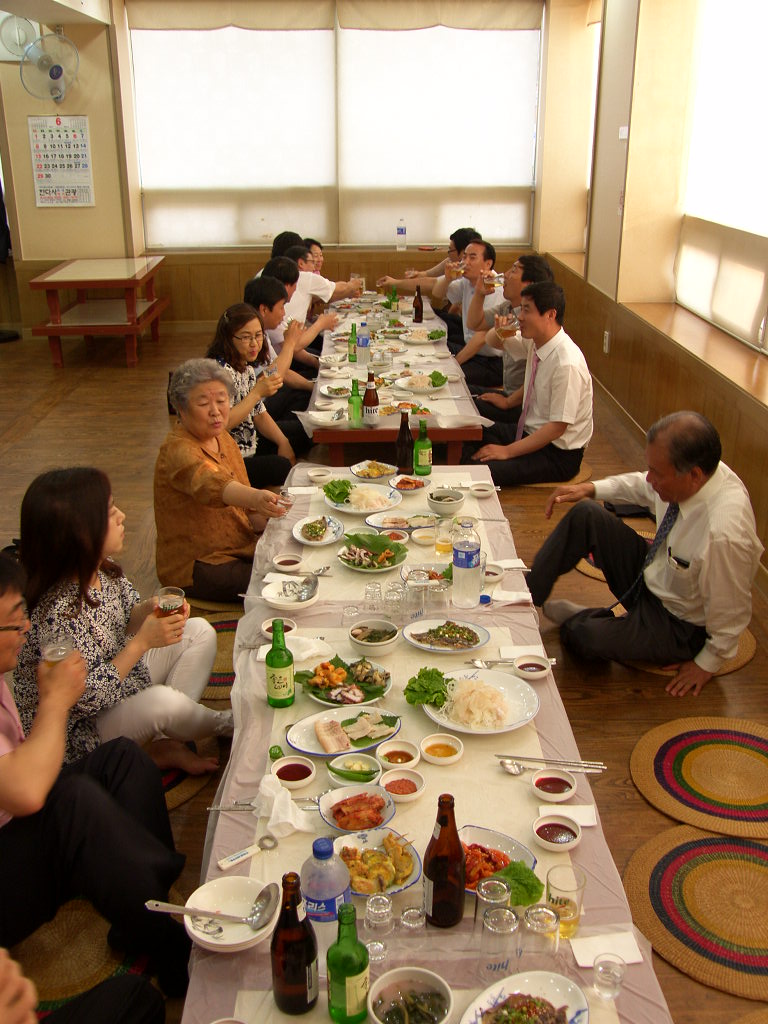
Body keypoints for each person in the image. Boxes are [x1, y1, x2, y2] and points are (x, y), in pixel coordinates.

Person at [0, 553, 191, 1006]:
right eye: (13, 623)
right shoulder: (58, 610)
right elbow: (26, 792)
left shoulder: (108, 578)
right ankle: (172, 948)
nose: (26, 630)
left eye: (22, 615)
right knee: (74, 802)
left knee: (122, 760)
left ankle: (148, 904)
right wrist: (56, 701)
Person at [527, 411, 764, 697]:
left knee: (584, 636)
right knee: (586, 513)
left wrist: (707, 663)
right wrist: (591, 488)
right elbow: (643, 485)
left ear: (694, 476)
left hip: (679, 625)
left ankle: (588, 619)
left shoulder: (725, 533)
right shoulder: (693, 471)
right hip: (654, 574)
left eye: (658, 473)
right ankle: (526, 600)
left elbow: (732, 610)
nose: (650, 478)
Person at [13, 468, 229, 773]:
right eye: (110, 512)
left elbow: (126, 616)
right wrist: (142, 643)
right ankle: (227, 724)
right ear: (80, 533)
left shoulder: (103, 570)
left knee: (198, 632)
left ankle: (165, 741)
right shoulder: (57, 615)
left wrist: (150, 611)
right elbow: (82, 698)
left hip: (119, 686)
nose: (122, 516)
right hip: (80, 733)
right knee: (162, 703)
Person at [155, 358, 288, 602]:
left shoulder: (223, 438)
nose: (216, 411)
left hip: (239, 543)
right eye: (203, 403)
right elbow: (212, 484)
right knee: (278, 584)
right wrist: (257, 497)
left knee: (293, 561)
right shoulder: (177, 450)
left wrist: (272, 517)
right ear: (181, 409)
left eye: (222, 400)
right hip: (199, 562)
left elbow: (244, 507)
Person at [463, 281, 593, 485]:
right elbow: (499, 344)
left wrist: (507, 451)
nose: (520, 316)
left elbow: (556, 428)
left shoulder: (567, 363)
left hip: (556, 454)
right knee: (467, 431)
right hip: (528, 432)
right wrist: (508, 402)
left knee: (478, 473)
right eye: (520, 309)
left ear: (550, 314)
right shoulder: (537, 341)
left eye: (526, 310)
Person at [205, 302, 299, 485]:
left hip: (250, 443)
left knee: (300, 435)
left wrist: (283, 442)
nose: (254, 343)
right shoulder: (219, 373)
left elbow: (259, 414)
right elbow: (222, 423)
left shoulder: (245, 368)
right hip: (230, 457)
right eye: (246, 337)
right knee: (281, 467)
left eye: (258, 336)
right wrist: (256, 393)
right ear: (228, 338)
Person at [468, 254, 555, 417]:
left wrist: (508, 402)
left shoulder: (536, 325)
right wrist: (480, 293)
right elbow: (474, 324)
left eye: (514, 270)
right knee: (463, 393)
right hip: (510, 395)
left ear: (530, 285)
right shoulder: (507, 307)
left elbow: (535, 379)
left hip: (525, 407)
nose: (505, 275)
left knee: (468, 408)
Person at [430, 239, 504, 387]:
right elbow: (437, 293)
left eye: (472, 257)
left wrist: (455, 363)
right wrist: (447, 278)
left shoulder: (494, 287)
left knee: (446, 379)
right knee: (431, 351)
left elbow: (481, 337)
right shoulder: (468, 281)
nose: (466, 262)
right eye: (464, 256)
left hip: (490, 362)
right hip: (471, 349)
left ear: (488, 264)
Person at [243, 274, 314, 420]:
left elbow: (280, 370)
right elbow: (272, 375)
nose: (283, 314)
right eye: (281, 307)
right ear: (263, 309)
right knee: (310, 424)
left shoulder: (261, 331)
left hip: (265, 402)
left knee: (309, 393)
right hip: (256, 412)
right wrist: (290, 342)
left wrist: (313, 387)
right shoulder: (250, 338)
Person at [375, 227, 481, 295]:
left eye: (450, 250)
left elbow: (431, 283)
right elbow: (430, 277)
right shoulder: (452, 263)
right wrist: (417, 274)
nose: (448, 253)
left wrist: (395, 282)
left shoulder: (481, 278)